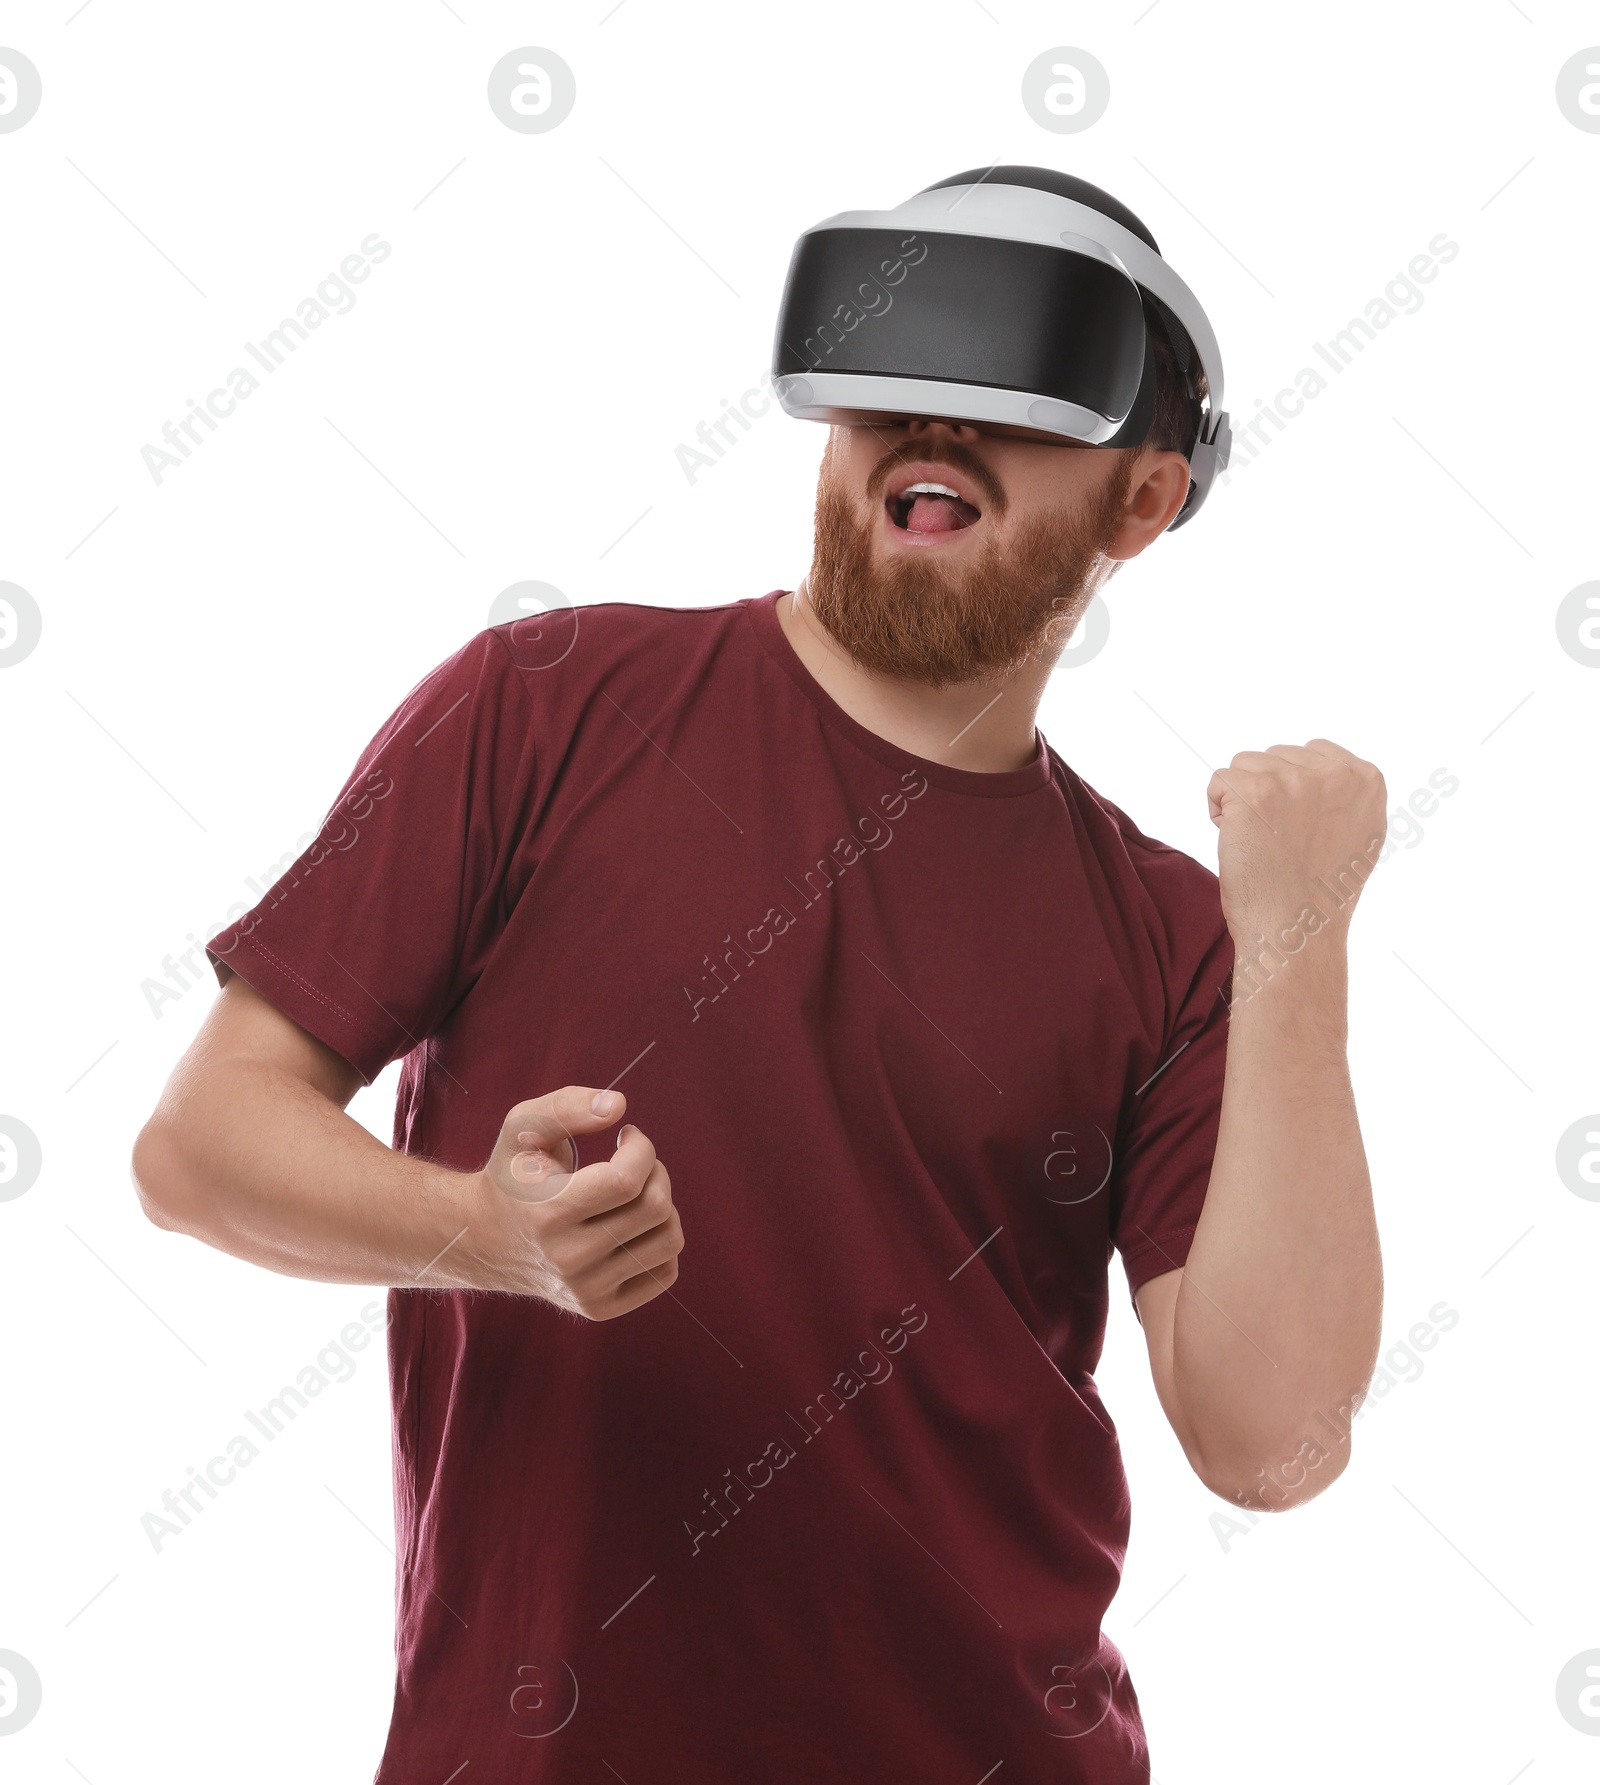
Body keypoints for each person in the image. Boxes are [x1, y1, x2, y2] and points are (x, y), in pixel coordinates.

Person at [133, 175, 1388, 1783]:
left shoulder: (1167, 931)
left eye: (1007, 388)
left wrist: (1301, 949)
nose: (930, 425)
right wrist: (487, 1235)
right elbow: (198, 1144)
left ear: (1143, 502)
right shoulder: (547, 705)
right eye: (895, 370)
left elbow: (1270, 1442)